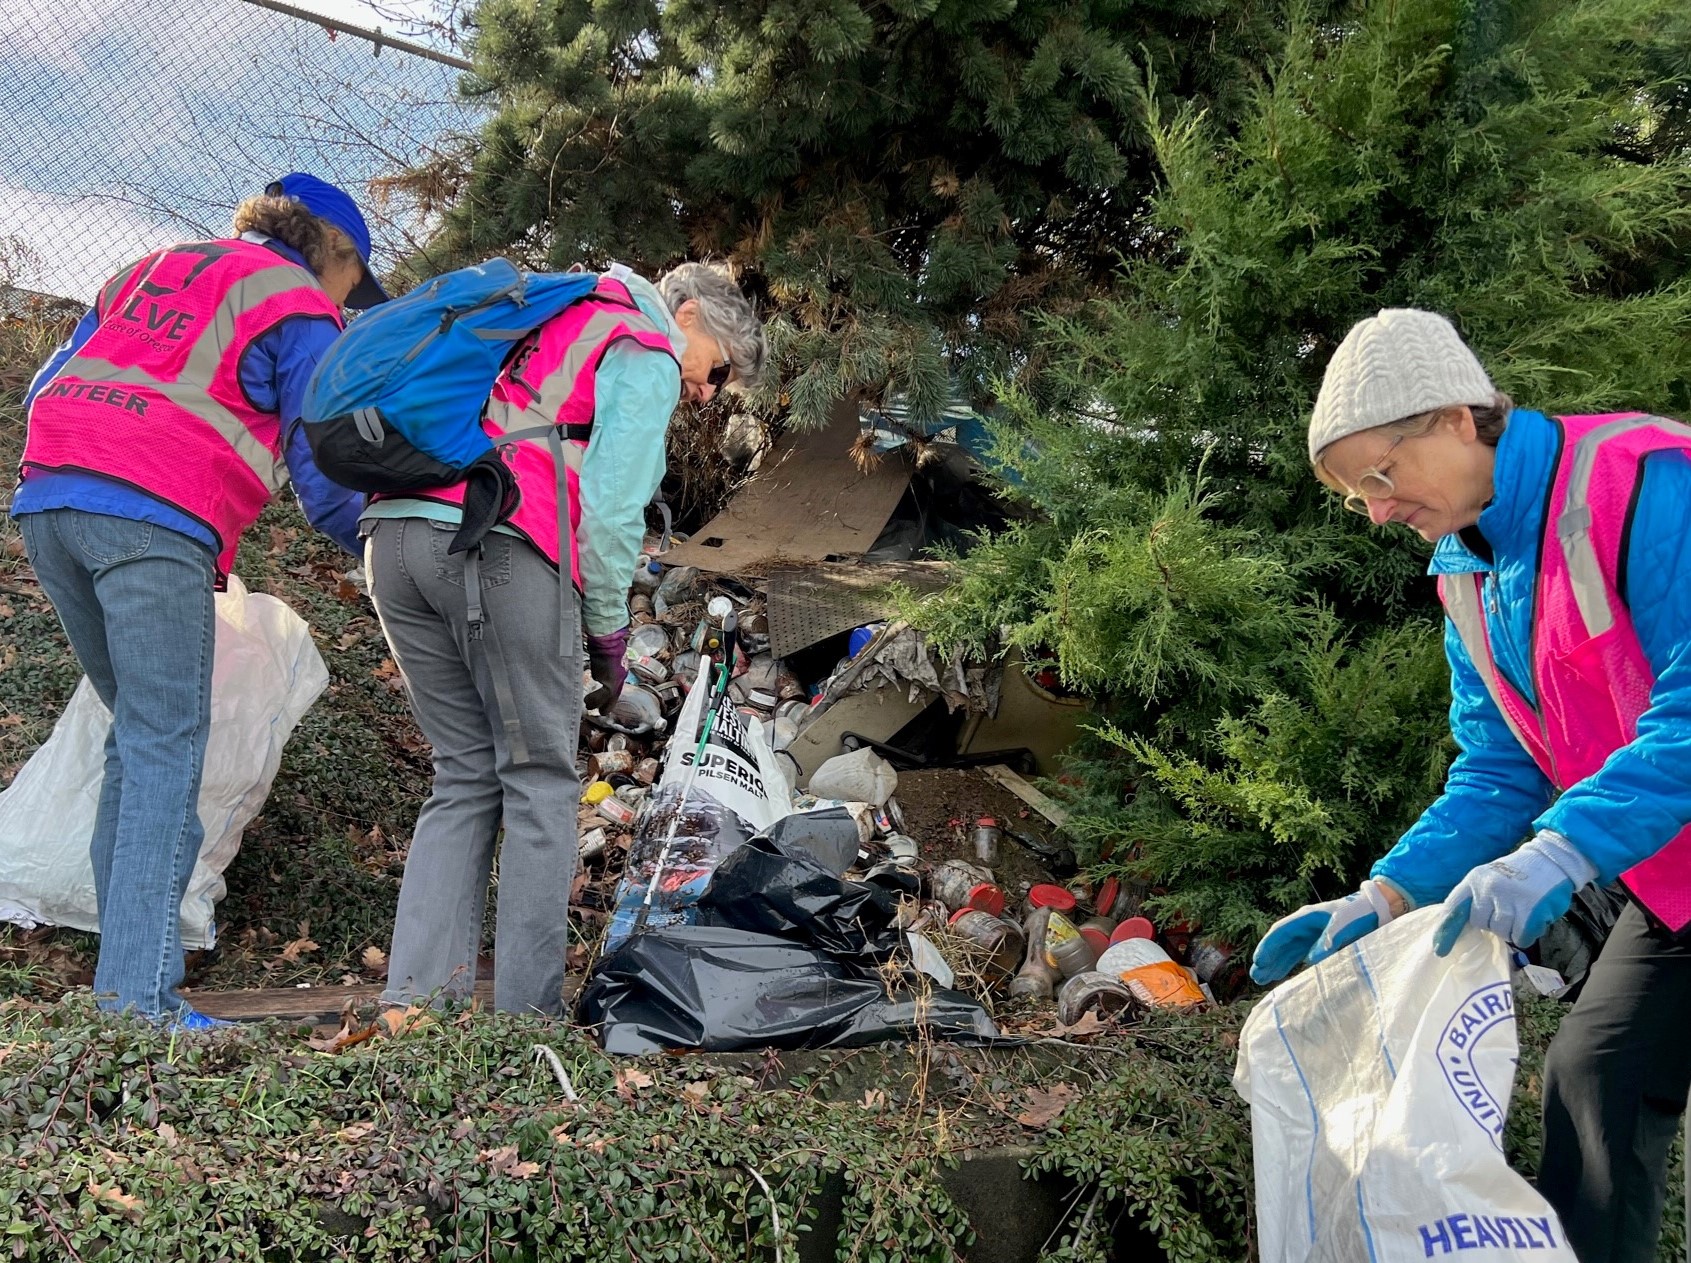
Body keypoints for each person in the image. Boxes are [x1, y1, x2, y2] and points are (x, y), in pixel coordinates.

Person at [1251, 308, 1691, 1263]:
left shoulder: (1645, 479)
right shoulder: (1466, 573)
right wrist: (1386, 893)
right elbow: (1498, 766)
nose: (1376, 511)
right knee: (1597, 1080)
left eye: (1379, 475)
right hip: (1676, 878)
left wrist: (1561, 851)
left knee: (1600, 1074)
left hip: (1666, 860)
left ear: (1458, 416)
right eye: (1354, 497)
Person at [13, 174, 387, 1027]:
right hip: (152, 511)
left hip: (50, 500)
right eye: (353, 279)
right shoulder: (298, 303)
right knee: (164, 745)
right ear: (330, 247)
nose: (348, 300)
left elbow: (44, 386)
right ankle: (137, 1002)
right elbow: (325, 463)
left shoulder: (149, 266)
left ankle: (125, 981)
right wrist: (382, 556)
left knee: (140, 736)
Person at [364, 260, 766, 1017]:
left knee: (464, 774)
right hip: (499, 543)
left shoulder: (561, 313)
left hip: (394, 537)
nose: (709, 393)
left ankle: (415, 1006)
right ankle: (526, 1021)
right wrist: (608, 634)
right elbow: (609, 518)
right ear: (687, 315)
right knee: (541, 782)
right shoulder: (644, 345)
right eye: (718, 370)